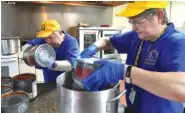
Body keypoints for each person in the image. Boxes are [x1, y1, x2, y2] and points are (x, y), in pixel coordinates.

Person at [80, 1, 185, 113]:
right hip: (133, 107)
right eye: (131, 21)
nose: (133, 28)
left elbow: (182, 88)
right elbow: (107, 40)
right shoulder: (137, 36)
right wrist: (93, 47)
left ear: (159, 16)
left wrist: (124, 71)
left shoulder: (177, 42)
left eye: (138, 21)